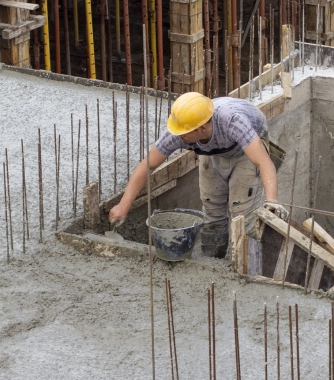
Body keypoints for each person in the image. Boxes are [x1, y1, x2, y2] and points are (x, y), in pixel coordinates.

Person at [108, 92, 286, 257]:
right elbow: (147, 166)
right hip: (214, 151)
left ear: (202, 128)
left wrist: (272, 201)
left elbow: (263, 162)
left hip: (245, 153)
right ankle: (212, 261)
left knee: (243, 217)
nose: (179, 136)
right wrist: (123, 206)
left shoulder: (233, 122)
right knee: (212, 210)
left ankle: (244, 267)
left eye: (184, 133)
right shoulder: (180, 132)